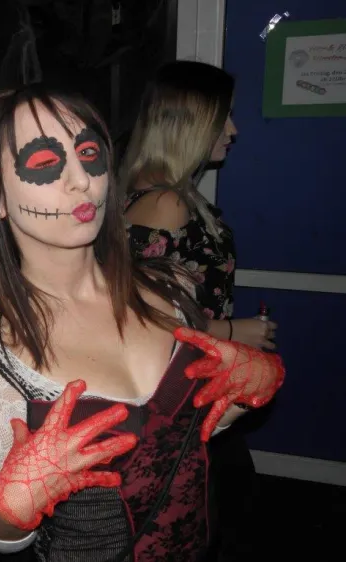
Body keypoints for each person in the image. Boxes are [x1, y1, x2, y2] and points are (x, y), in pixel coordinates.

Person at [0, 84, 285, 561]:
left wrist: (245, 394)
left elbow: (191, 435)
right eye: (45, 162)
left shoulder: (168, 289)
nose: (81, 180)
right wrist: (17, 507)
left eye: (88, 154)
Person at [120, 60, 274, 559]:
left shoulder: (168, 193)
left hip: (199, 377)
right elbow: (137, 316)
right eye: (222, 117)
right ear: (187, 124)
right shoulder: (164, 201)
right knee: (222, 516)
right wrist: (229, 329)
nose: (233, 129)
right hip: (184, 384)